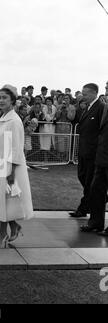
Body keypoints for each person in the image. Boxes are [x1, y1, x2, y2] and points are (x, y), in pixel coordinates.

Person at [0, 85, 34, 248]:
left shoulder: (14, 121)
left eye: (4, 97)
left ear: (13, 101)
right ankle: (14, 226)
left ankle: (2, 235)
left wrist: (12, 173)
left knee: (4, 201)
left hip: (9, 166)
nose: (0, 100)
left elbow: (16, 147)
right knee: (3, 200)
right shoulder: (3, 118)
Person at [70, 83, 105, 219]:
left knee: (90, 181)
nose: (82, 97)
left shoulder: (101, 108)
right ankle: (87, 205)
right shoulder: (87, 108)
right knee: (83, 177)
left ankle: (84, 208)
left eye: (85, 94)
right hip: (84, 151)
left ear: (93, 93)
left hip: (93, 152)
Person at [81, 103, 108, 234]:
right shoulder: (105, 108)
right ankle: (96, 223)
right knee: (96, 191)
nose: (106, 90)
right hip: (101, 158)